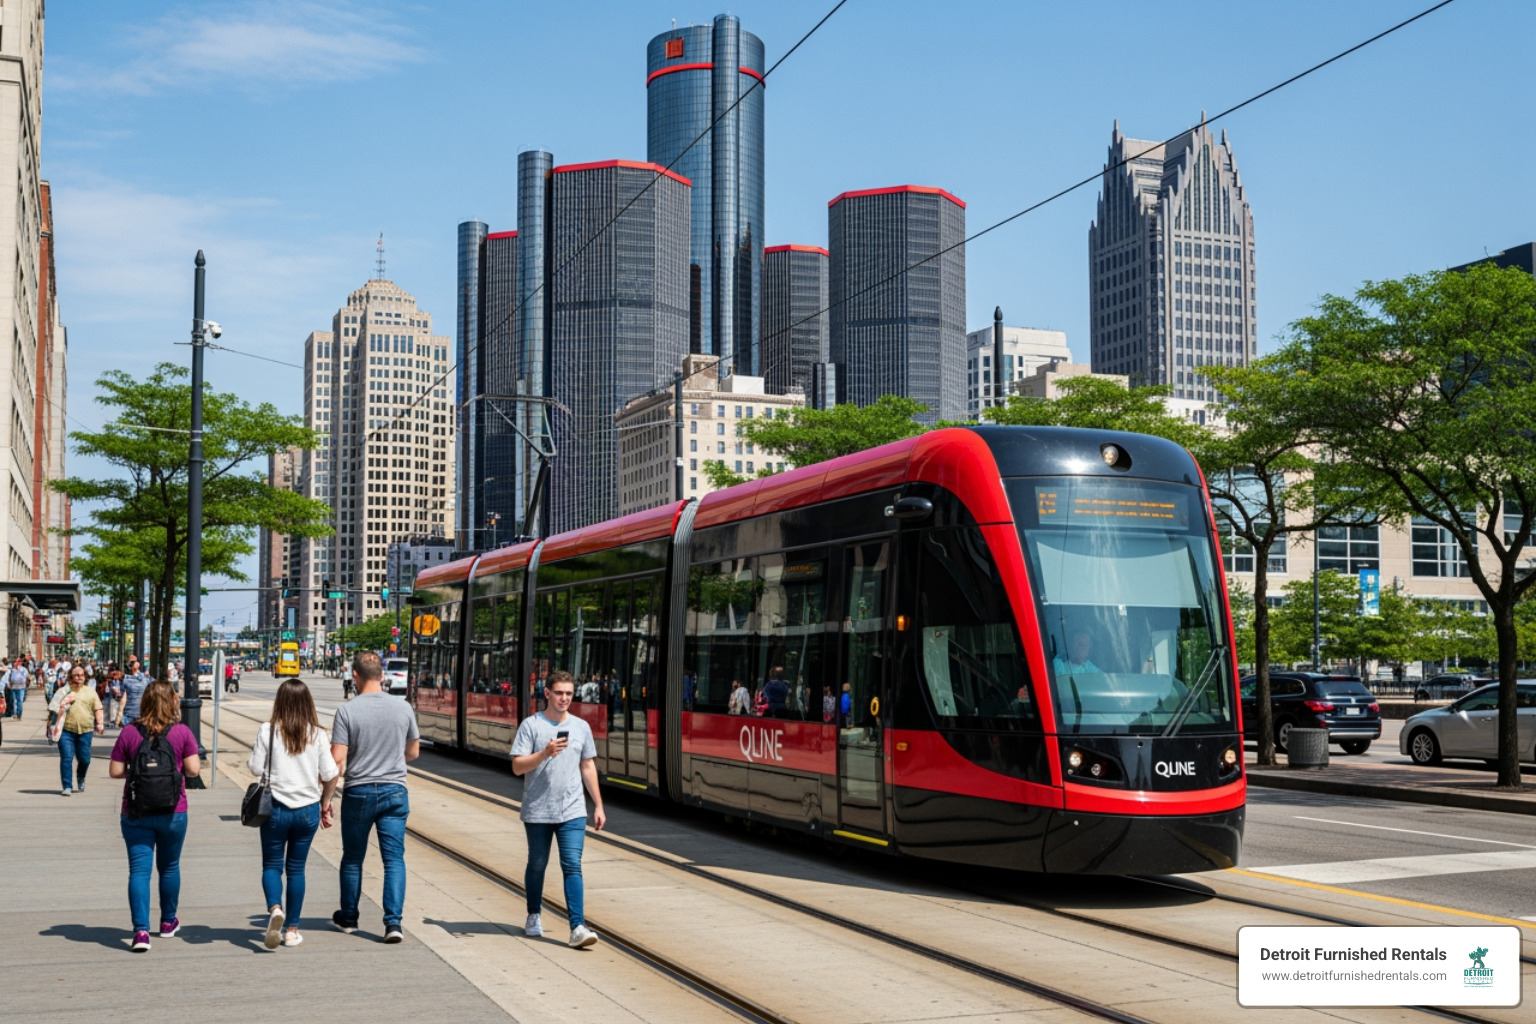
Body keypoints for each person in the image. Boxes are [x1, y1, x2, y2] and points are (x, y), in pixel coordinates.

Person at [510, 669, 604, 949]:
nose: (564, 698)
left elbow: (587, 766)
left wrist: (598, 805)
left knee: (572, 865)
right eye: (559, 693)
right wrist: (544, 753)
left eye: (569, 694)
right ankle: (533, 914)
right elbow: (517, 767)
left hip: (573, 810)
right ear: (547, 694)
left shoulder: (580, 727)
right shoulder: (531, 725)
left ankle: (577, 926)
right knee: (537, 864)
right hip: (538, 810)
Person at [330, 651, 418, 943]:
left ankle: (350, 916)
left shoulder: (347, 710)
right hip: (395, 790)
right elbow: (413, 753)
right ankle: (393, 923)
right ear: (382, 675)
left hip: (359, 791)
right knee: (394, 859)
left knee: (353, 858)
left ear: (355, 675)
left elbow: (337, 760)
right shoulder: (403, 708)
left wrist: (325, 798)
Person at [109, 680, 201, 952]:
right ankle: (167, 922)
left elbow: (115, 771)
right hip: (174, 811)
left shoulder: (129, 732)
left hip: (136, 810)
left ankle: (140, 933)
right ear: (173, 701)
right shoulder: (182, 732)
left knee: (139, 870)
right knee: (169, 867)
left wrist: (139, 773)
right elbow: (193, 770)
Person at [249, 680, 340, 949]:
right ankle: (291, 930)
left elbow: (255, 768)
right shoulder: (317, 734)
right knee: (297, 869)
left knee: (272, 866)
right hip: (307, 810)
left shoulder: (268, 730)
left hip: (274, 809)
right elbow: (331, 775)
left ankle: (276, 908)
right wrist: (325, 803)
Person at [52, 665, 105, 795]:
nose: (79, 677)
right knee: (66, 757)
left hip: (86, 730)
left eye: (82, 675)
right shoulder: (63, 691)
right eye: (76, 675)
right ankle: (67, 786)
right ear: (71, 676)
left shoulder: (90, 692)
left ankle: (81, 777)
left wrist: (100, 723)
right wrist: (63, 705)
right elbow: (53, 709)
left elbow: (98, 708)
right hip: (66, 731)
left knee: (85, 759)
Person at [118, 658, 152, 728]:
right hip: (142, 713)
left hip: (130, 714)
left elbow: (121, 695)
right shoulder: (147, 679)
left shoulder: (126, 680)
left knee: (129, 736)